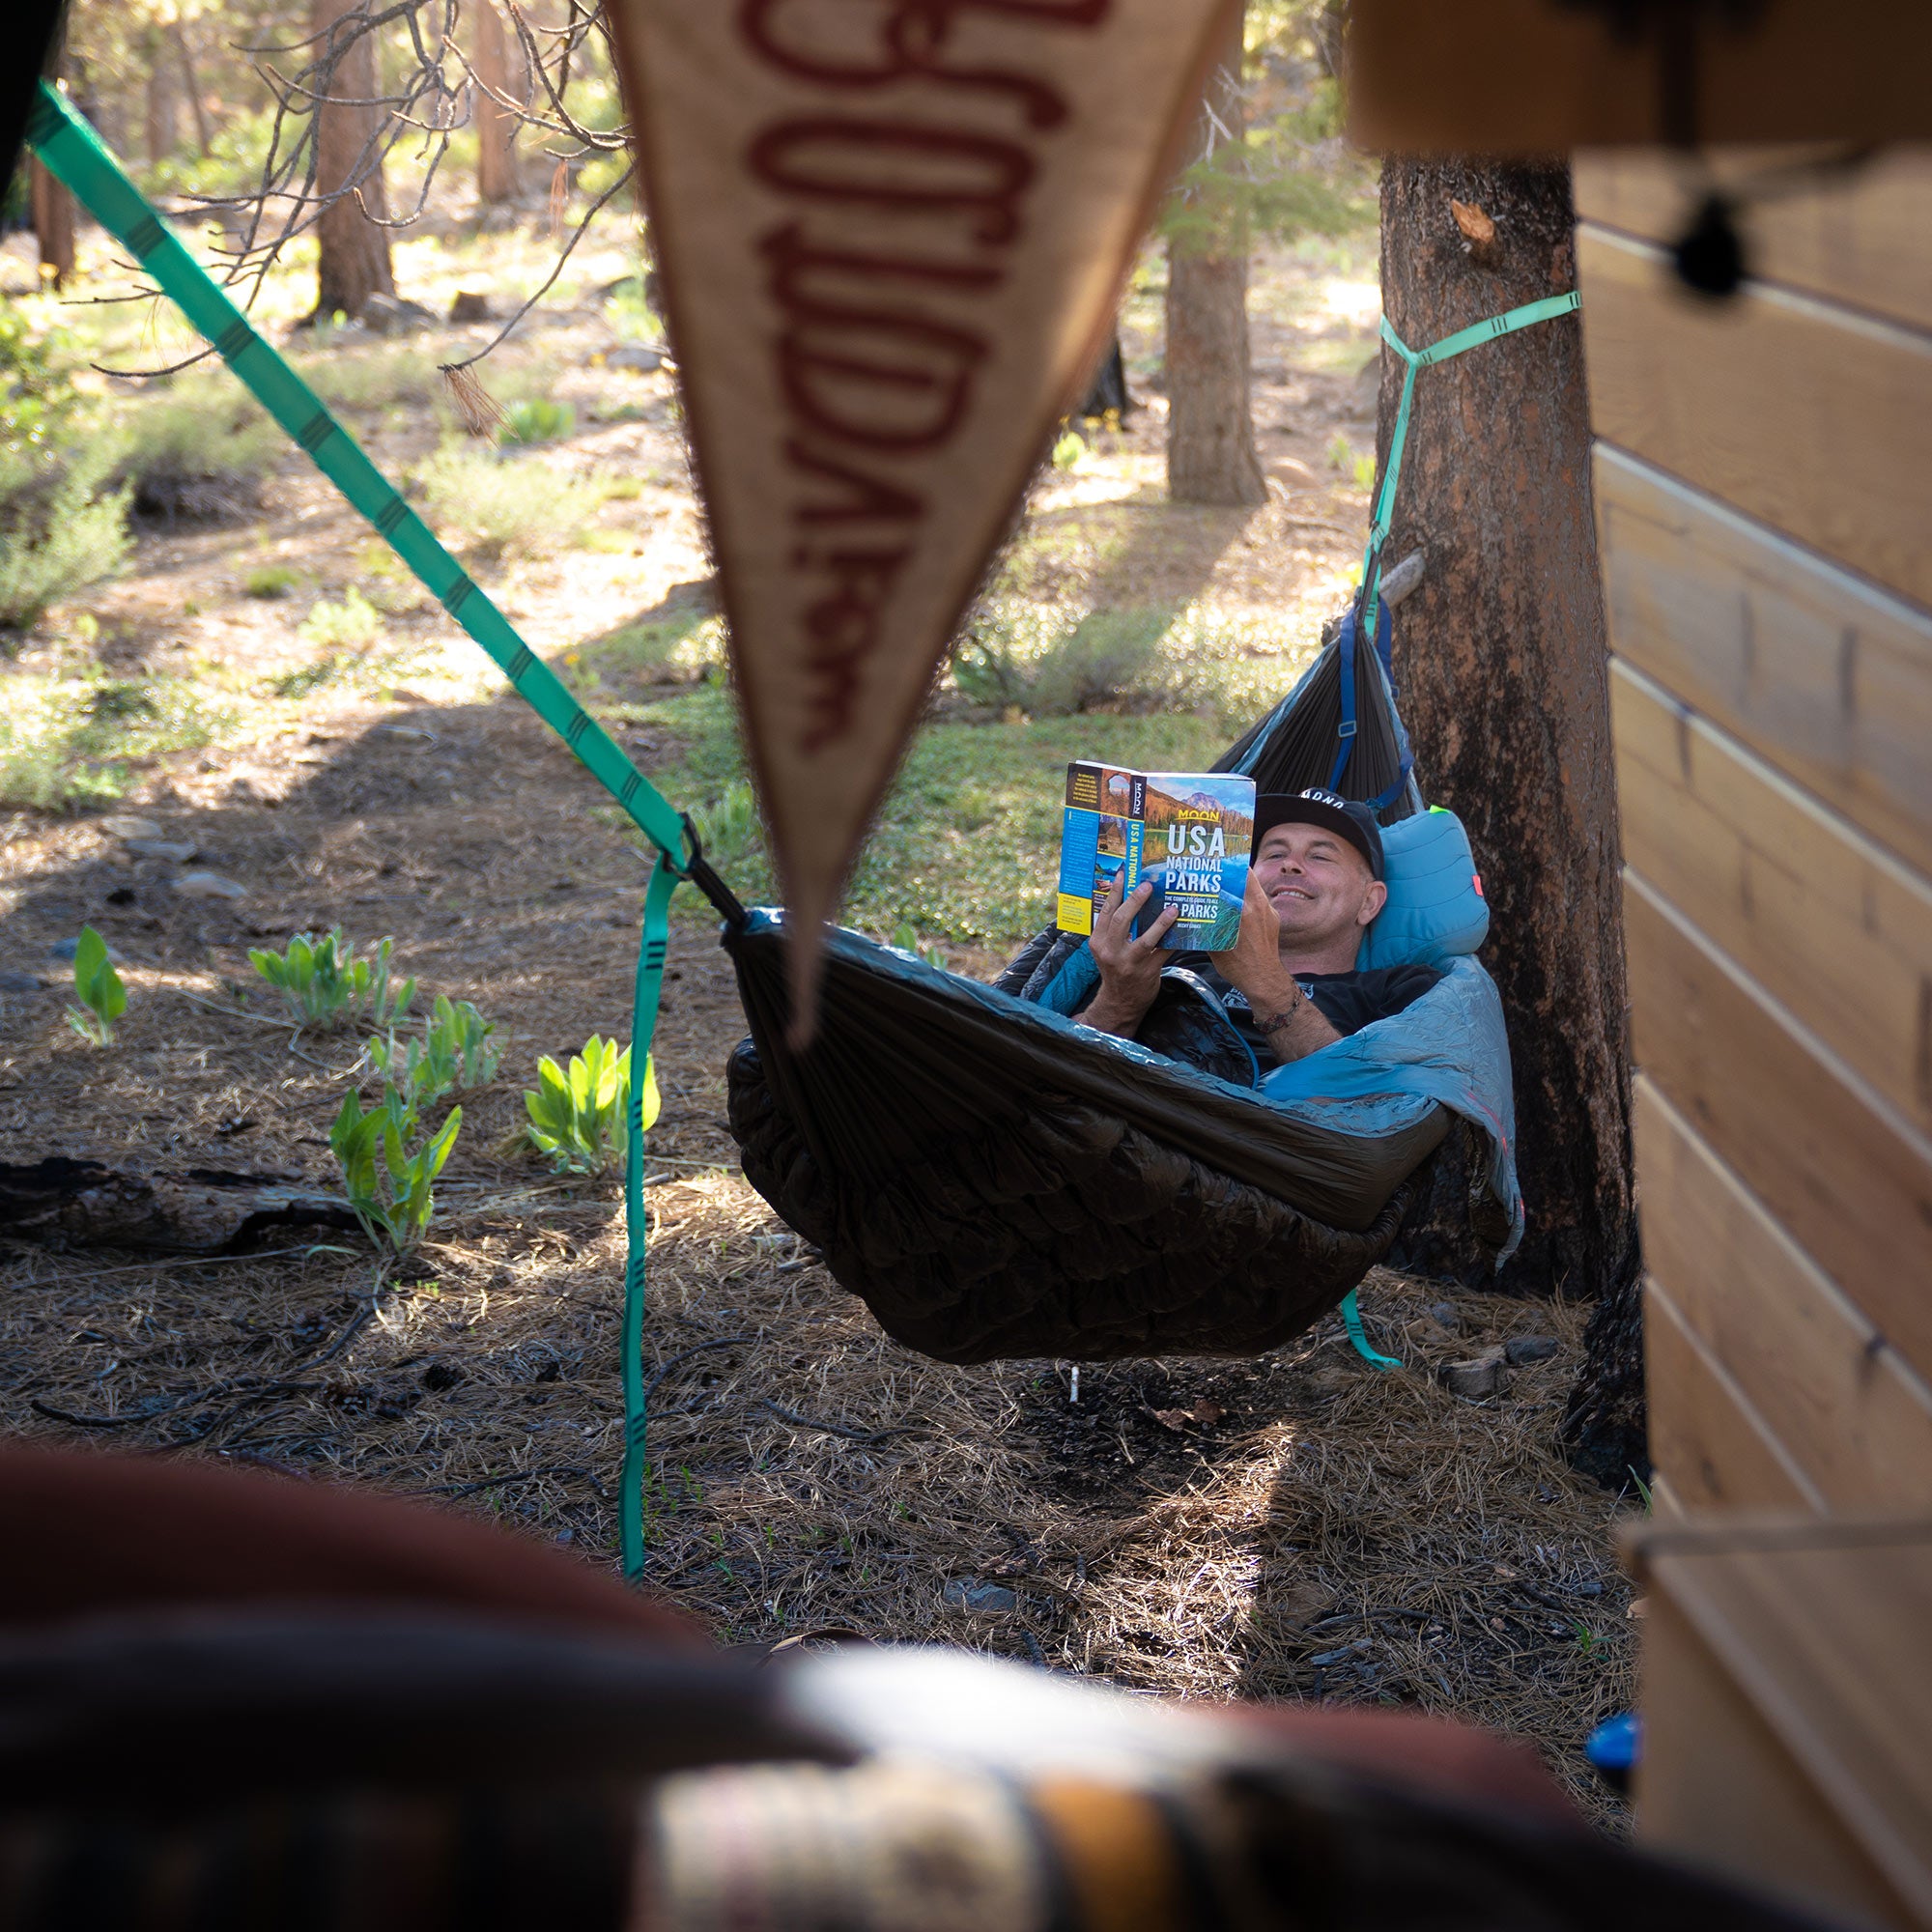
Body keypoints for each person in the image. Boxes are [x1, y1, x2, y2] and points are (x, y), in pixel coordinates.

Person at [1080, 787, 1441, 1069]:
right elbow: (1058, 1070)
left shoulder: (1402, 991)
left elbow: (1377, 1112)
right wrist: (1120, 1000)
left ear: (1370, 902)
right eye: (1273, 854)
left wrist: (1266, 982)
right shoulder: (1169, 955)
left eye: (1319, 856)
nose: (1290, 866)